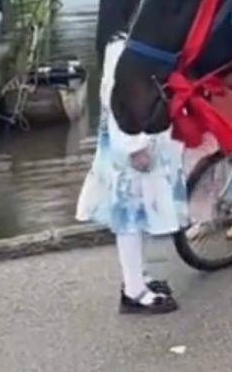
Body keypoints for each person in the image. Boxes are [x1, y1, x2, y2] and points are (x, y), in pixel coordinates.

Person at [76, 34, 188, 314]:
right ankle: (134, 290)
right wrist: (134, 146)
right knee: (130, 217)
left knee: (138, 215)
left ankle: (138, 276)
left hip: (141, 141)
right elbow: (117, 99)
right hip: (133, 146)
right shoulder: (121, 50)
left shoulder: (128, 45)